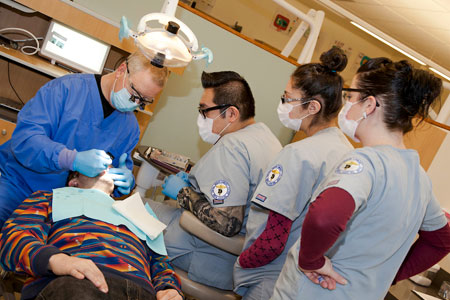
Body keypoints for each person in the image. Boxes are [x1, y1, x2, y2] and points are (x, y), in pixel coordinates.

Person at [271, 58, 450, 300]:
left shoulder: (365, 163)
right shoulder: (418, 177)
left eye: (350, 96)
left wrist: (310, 260)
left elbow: (325, 217)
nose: (346, 105)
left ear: (369, 105)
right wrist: (390, 274)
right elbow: (442, 239)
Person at [232, 47, 353, 300]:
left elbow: (273, 240)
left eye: (288, 98)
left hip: (271, 275)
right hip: (307, 282)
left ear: (312, 107)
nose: (283, 104)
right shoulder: (349, 154)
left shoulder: (299, 154)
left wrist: (243, 263)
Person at [0, 51, 168, 226]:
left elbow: (118, 170)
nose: (135, 104)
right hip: (18, 185)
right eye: (134, 94)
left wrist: (124, 182)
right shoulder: (66, 90)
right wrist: (72, 159)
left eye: (144, 101)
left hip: (67, 207)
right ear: (121, 70)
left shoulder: (129, 127)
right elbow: (25, 140)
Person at [148, 71, 282, 290]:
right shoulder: (266, 137)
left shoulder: (232, 147)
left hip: (203, 254)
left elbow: (227, 223)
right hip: (233, 261)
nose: (200, 117)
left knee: (133, 212)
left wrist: (183, 193)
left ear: (231, 113)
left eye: (204, 111)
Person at [0, 169, 183, 300]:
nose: (106, 166)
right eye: (95, 165)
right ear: (74, 181)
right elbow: (12, 239)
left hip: (143, 293)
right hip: (78, 282)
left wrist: (169, 288)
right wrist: (58, 260)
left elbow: (161, 263)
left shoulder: (138, 213)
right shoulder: (50, 198)